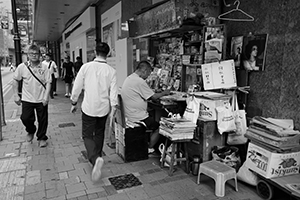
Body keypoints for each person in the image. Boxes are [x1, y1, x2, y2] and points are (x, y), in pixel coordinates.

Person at [70, 42, 117, 182]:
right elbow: (113, 93)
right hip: (103, 109)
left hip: (89, 107)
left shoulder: (86, 67)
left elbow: (77, 86)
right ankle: (97, 157)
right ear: (107, 54)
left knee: (87, 135)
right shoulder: (111, 71)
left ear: (95, 52)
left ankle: (95, 158)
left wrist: (73, 102)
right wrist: (113, 108)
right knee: (99, 134)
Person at [121, 60, 170, 154]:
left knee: (152, 114)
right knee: (160, 127)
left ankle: (151, 143)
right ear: (144, 70)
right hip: (137, 116)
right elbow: (154, 97)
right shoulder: (139, 81)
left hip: (129, 114)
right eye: (148, 73)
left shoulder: (129, 78)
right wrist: (165, 92)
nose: (148, 77)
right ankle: (150, 148)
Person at [12, 44, 51, 147]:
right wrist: (16, 95)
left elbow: (48, 82)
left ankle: (42, 137)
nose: (34, 55)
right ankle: (31, 130)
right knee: (25, 118)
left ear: (39, 55)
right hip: (27, 98)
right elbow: (15, 80)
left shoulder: (45, 67)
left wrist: (46, 97)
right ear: (28, 55)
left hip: (41, 98)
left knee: (43, 120)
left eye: (36, 53)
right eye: (31, 53)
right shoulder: (22, 67)